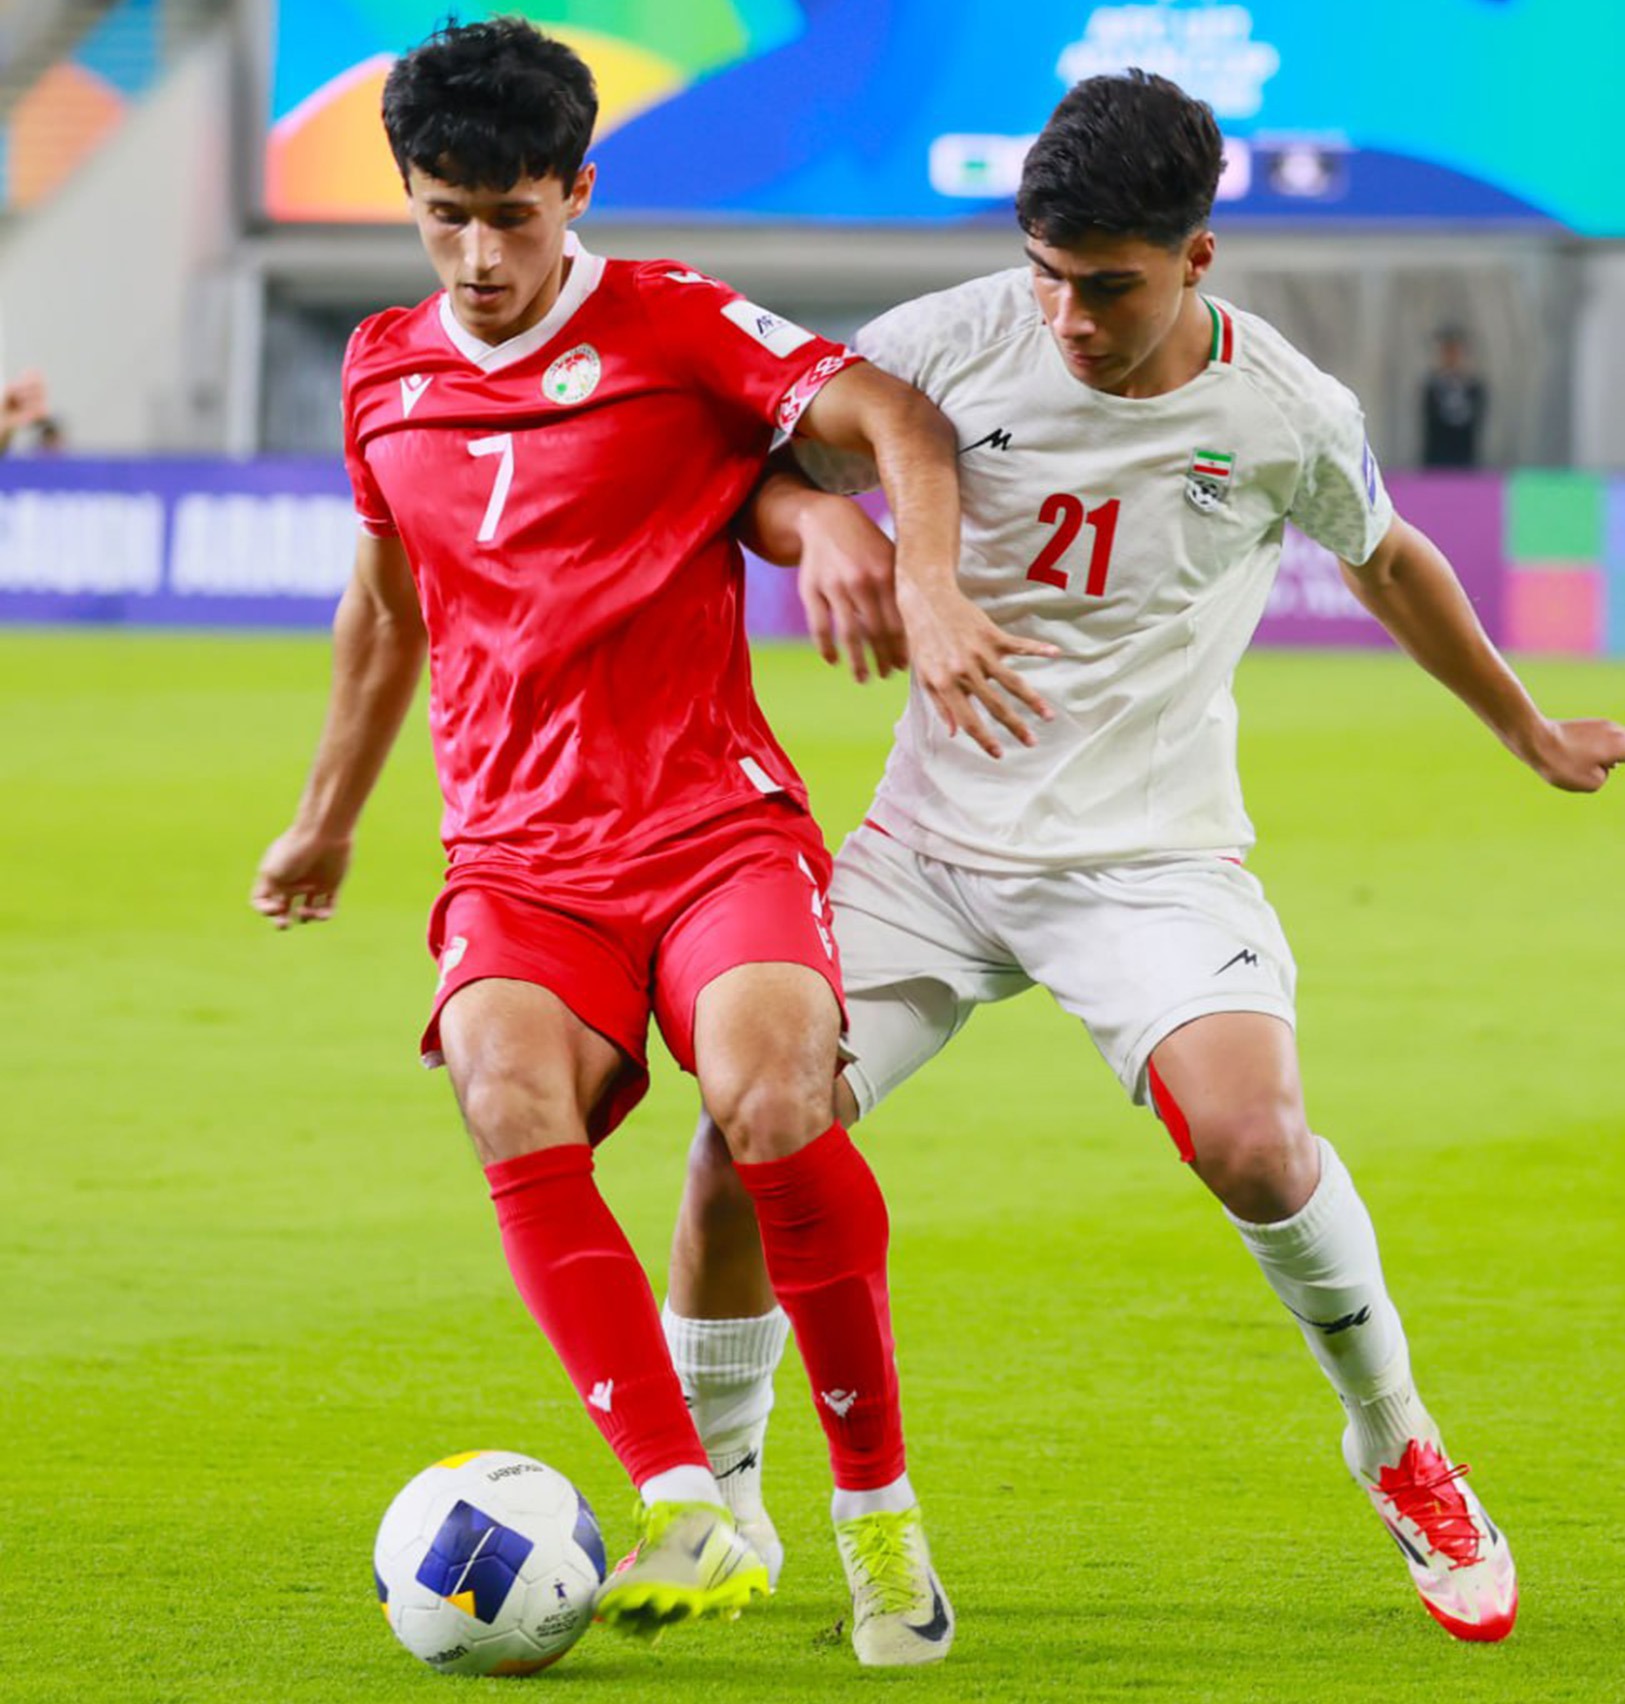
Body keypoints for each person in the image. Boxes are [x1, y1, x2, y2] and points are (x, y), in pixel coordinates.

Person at [660, 69, 1625, 1646]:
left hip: (1150, 862)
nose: (1068, 318)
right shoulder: (944, 343)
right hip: (927, 850)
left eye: (1107, 286)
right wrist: (827, 526)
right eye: (1046, 274)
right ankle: (715, 1497)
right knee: (742, 1134)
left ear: (1197, 258)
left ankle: (1395, 1438)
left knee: (1254, 1143)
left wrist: (1523, 727)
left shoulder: (1283, 409)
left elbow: (1387, 556)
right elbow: (755, 462)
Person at [249, 18, 1045, 1666]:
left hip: (707, 830)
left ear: (576, 190)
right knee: (503, 1089)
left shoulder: (674, 322)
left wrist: (894, 555)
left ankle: (879, 1514)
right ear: (412, 203)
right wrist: (325, 820)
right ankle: (688, 1498)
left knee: (774, 1097)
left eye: (512, 217)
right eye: (446, 218)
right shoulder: (381, 369)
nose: (480, 258)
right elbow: (384, 609)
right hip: (517, 860)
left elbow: (896, 417)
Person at [1420, 327, 1487, 468]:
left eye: (1456, 352)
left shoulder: (1474, 388)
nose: (1452, 358)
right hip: (1436, 460)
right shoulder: (1432, 387)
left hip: (1465, 460)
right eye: (1447, 352)